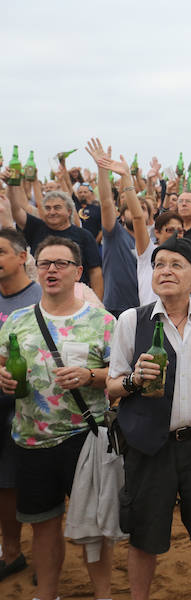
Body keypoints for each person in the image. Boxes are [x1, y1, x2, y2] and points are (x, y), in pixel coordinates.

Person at [106, 236, 191, 600]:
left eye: (175, 264)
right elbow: (112, 386)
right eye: (159, 264)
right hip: (149, 445)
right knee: (144, 535)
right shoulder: (130, 321)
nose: (165, 271)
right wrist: (135, 380)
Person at [0, 236, 115, 600]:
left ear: (78, 272)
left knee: (94, 528)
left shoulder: (102, 321)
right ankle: (46, 594)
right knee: (43, 526)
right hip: (31, 439)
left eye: (60, 263)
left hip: (84, 438)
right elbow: (2, 360)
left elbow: (122, 377)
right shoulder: (17, 320)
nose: (51, 269)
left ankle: (103, 595)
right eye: (45, 263)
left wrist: (90, 376)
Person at [0, 229, 41, 582]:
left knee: (44, 486)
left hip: (38, 409)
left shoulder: (43, 298)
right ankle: (11, 552)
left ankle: (49, 558)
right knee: (5, 484)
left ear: (22, 256)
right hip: (1, 407)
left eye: (0, 252)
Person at [85, 140, 151, 317]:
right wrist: (102, 168)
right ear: (121, 216)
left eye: (143, 209)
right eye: (130, 208)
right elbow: (106, 202)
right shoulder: (114, 234)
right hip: (115, 309)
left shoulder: (151, 245)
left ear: (149, 218)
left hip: (143, 310)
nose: (137, 212)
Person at [5, 179, 103, 295]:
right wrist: (11, 184)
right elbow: (15, 210)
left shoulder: (84, 235)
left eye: (57, 208)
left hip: (75, 296)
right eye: (47, 208)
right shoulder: (36, 228)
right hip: (41, 295)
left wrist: (97, 304)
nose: (52, 212)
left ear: (69, 211)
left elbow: (95, 272)